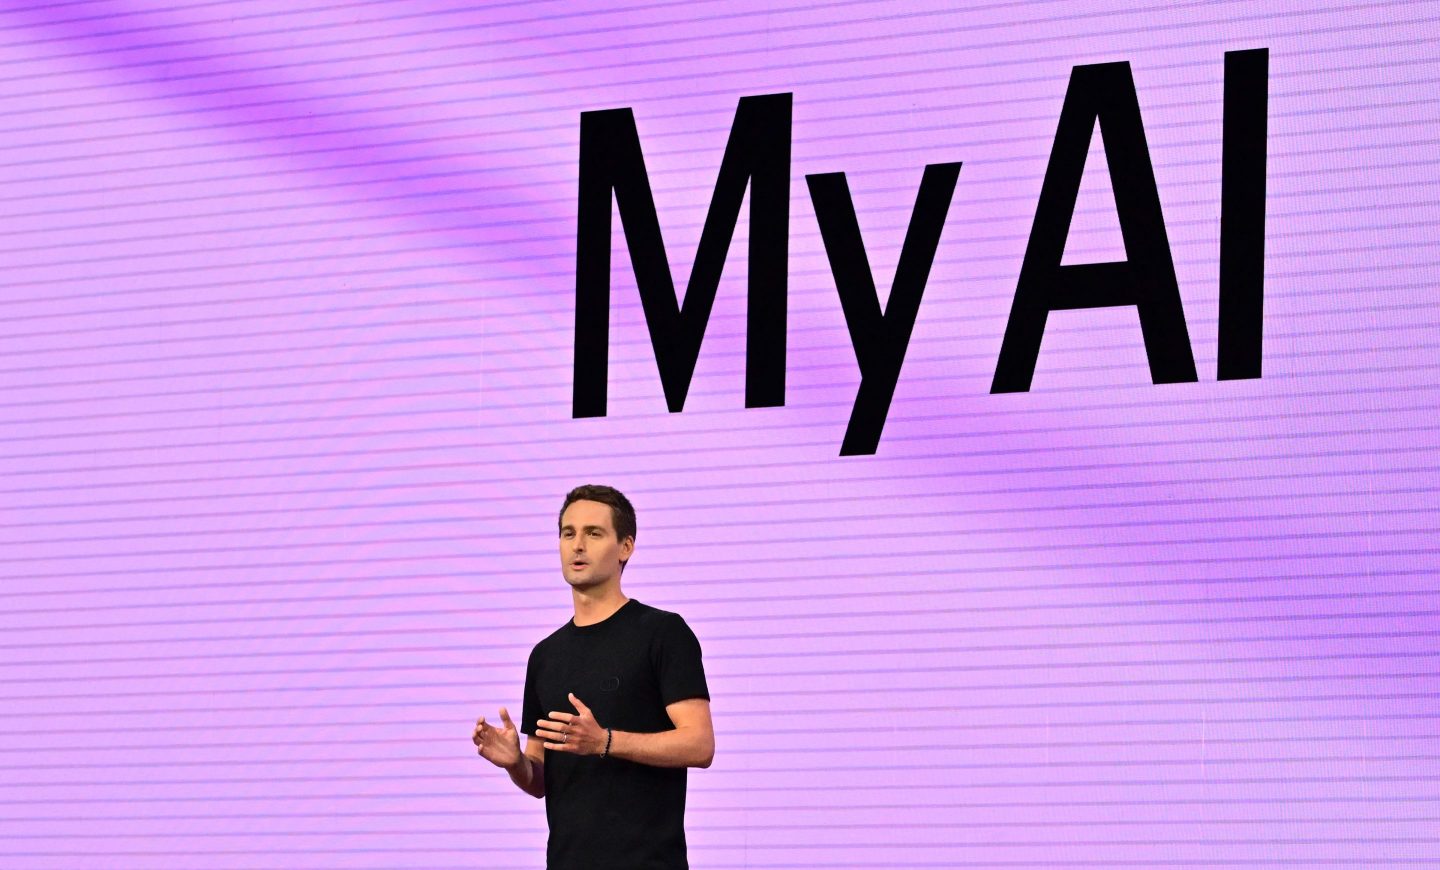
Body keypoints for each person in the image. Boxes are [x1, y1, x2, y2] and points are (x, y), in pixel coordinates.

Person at [472, 484, 714, 869]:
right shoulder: (545, 656)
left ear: (625, 547)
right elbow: (541, 778)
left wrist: (605, 741)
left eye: (594, 533)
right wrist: (516, 763)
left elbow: (700, 745)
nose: (577, 545)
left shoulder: (663, 633)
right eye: (568, 533)